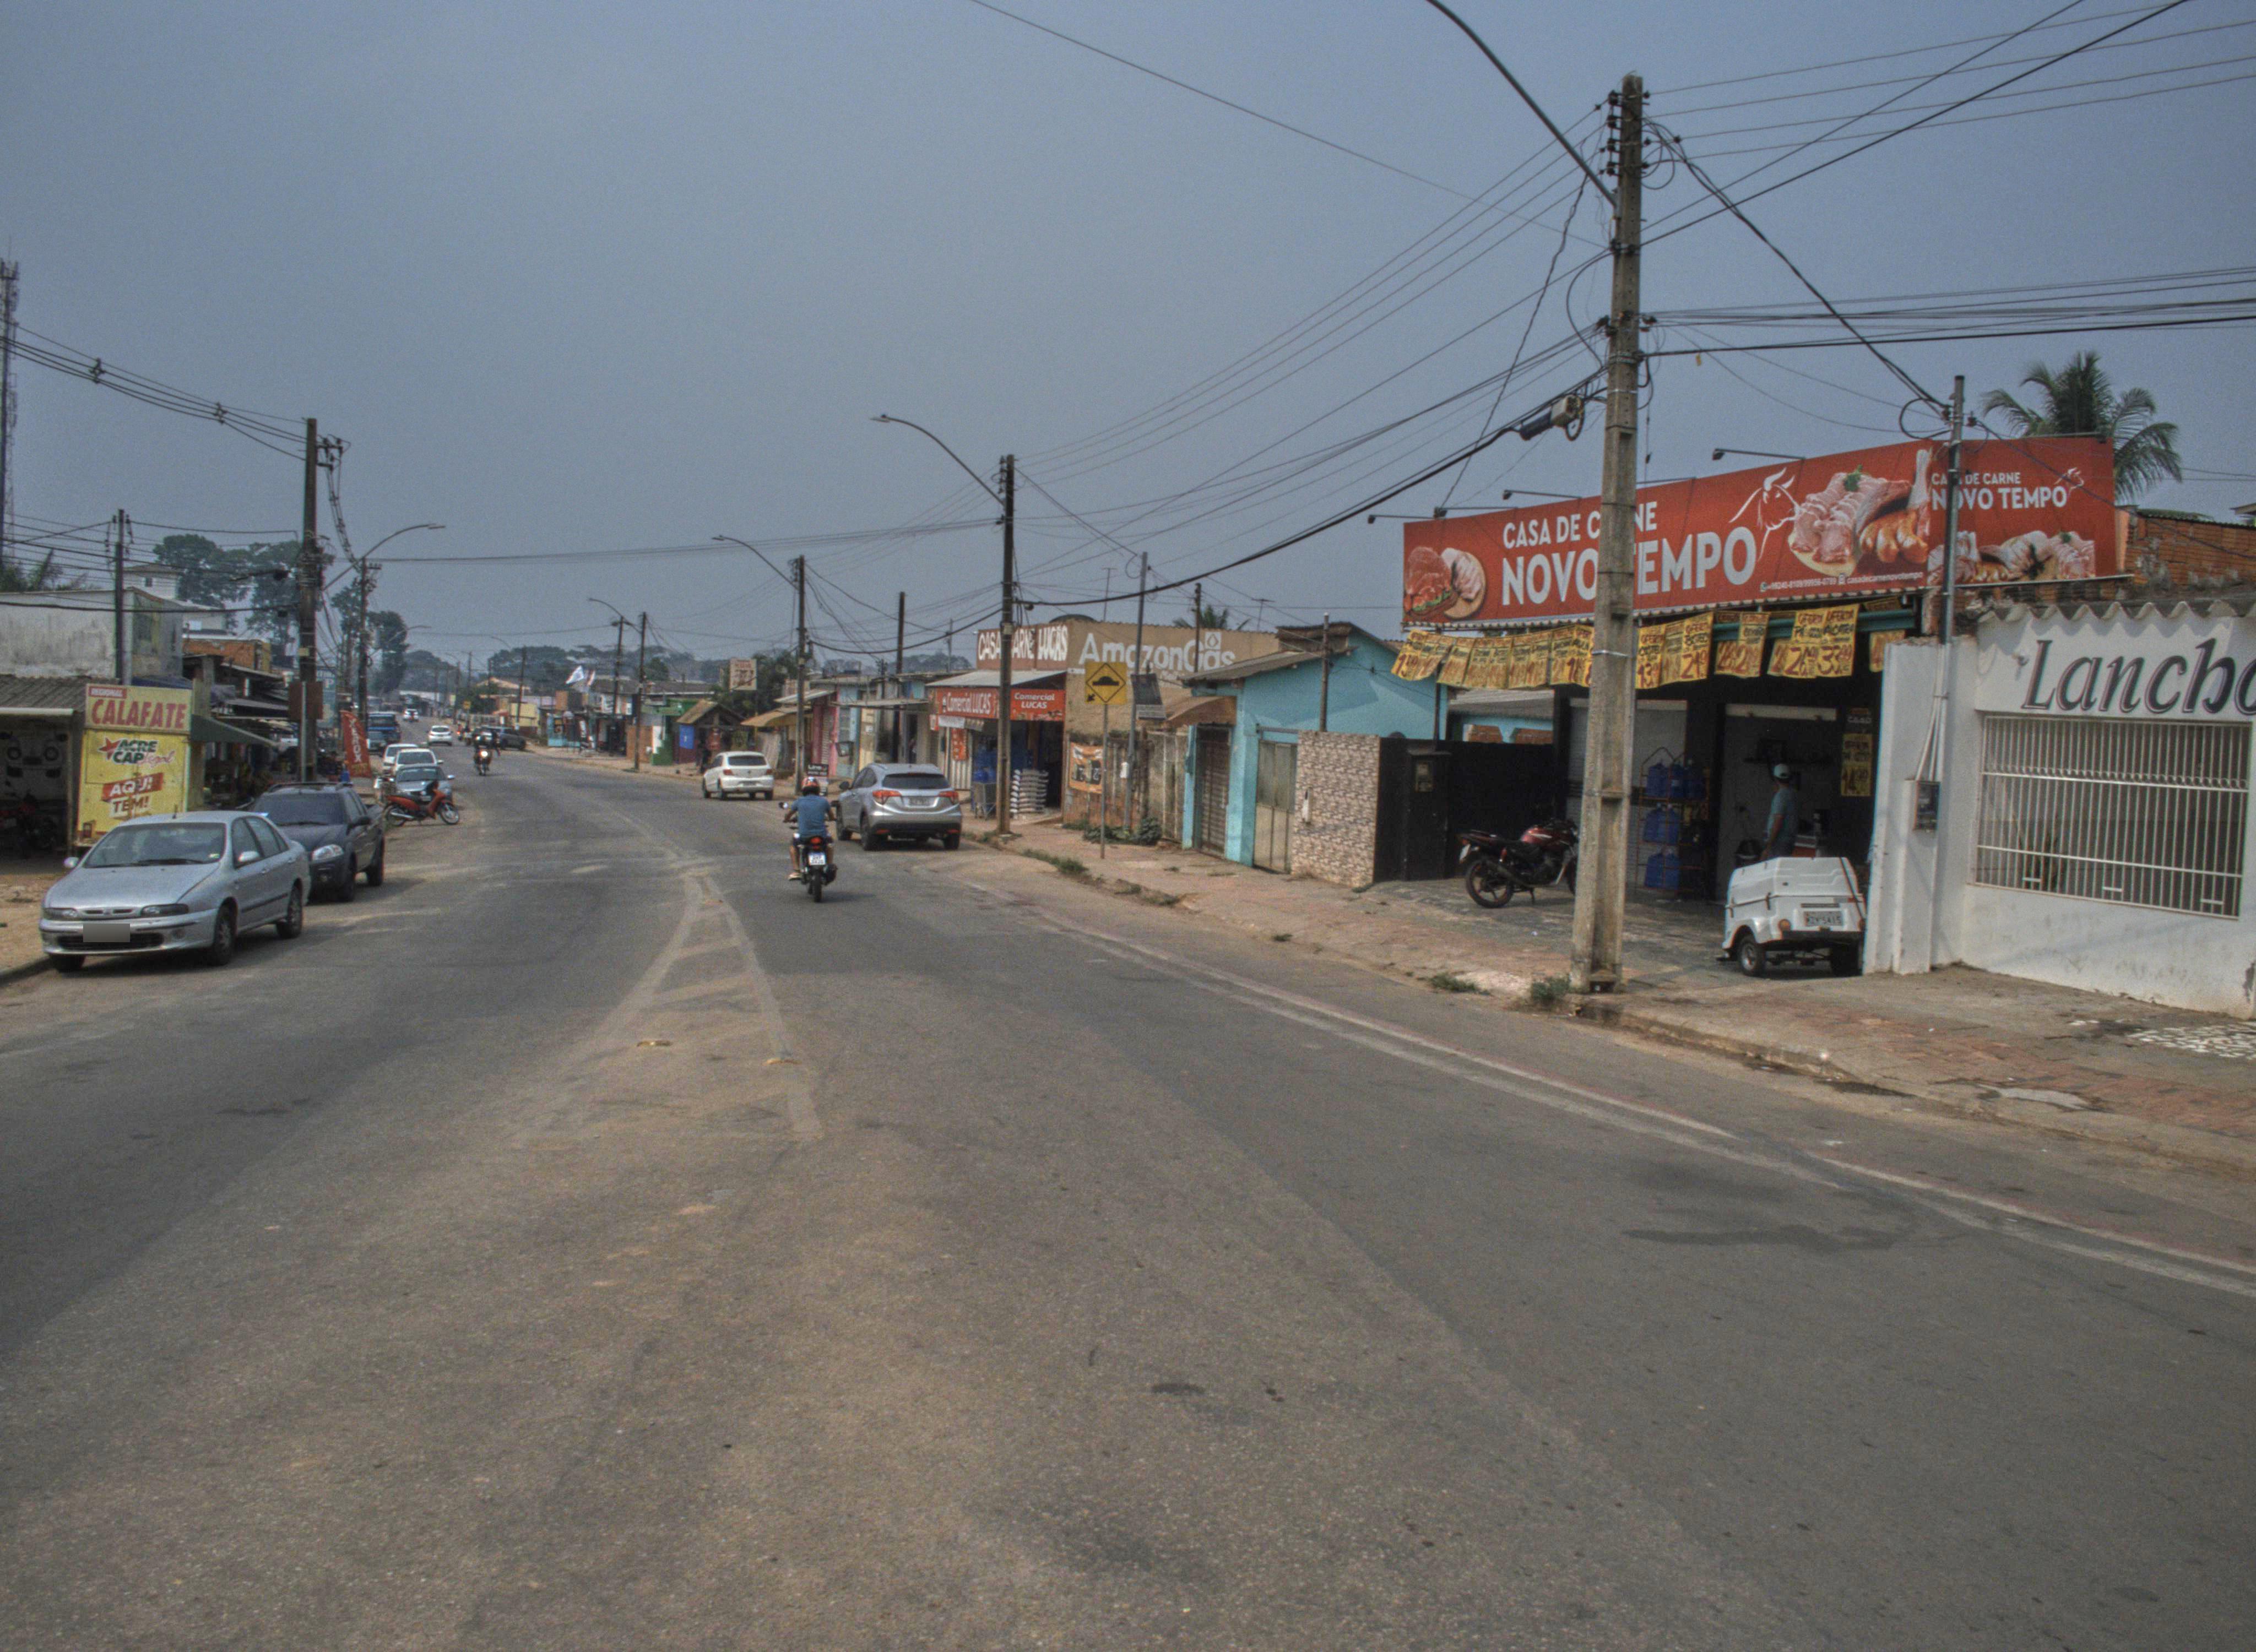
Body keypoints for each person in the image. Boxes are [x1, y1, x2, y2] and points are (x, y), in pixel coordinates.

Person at [782, 778, 831, 880]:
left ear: (804, 789)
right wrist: (831, 818)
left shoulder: (799, 801)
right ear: (818, 789)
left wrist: (786, 820)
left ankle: (796, 871)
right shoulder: (824, 801)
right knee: (830, 844)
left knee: (794, 845)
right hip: (821, 835)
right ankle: (829, 866)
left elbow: (788, 815)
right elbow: (831, 816)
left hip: (804, 836)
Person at [1762, 764, 1801, 860]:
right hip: (1789, 841)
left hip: (1778, 843)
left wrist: (1769, 846)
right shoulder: (1793, 794)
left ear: (1775, 779)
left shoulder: (1780, 796)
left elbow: (1778, 821)